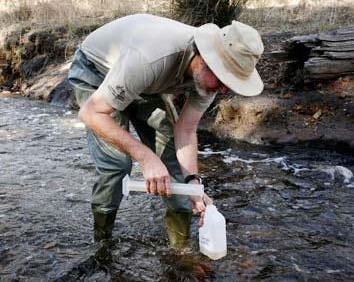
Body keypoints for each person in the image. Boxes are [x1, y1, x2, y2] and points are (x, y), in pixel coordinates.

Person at [68, 14, 264, 246]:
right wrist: (145, 156)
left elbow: (187, 129)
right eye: (222, 80)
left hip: (144, 82)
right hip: (96, 69)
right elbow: (90, 113)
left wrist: (192, 182)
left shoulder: (210, 80)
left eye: (230, 85)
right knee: (117, 166)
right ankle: (102, 244)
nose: (222, 90)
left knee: (176, 172)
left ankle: (180, 253)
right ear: (204, 60)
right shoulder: (151, 59)